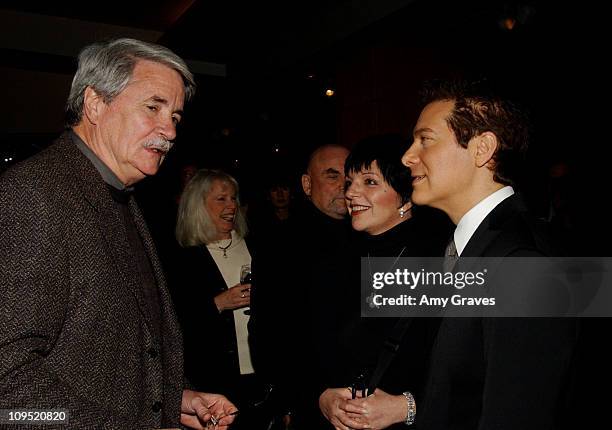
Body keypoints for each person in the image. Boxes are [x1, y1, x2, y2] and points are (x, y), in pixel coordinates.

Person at [0, 38, 236, 429]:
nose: (170, 130)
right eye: (153, 107)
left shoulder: (118, 195)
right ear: (95, 103)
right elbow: (6, 391)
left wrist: (174, 398)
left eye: (175, 116)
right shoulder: (34, 194)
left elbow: (107, 352)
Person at [342, 79, 576, 429]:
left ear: (482, 149)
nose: (408, 156)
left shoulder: (523, 266)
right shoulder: (464, 249)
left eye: (426, 140)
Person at [317, 135, 448, 430]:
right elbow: (309, 350)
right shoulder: (335, 260)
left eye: (370, 182)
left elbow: (468, 369)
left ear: (405, 194)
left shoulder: (440, 260)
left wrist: (407, 407)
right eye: (350, 182)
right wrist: (323, 397)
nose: (351, 193)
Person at [248, 144, 354, 428]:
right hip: (312, 407)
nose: (344, 186)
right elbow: (267, 335)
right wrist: (303, 396)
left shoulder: (369, 236)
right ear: (307, 184)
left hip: (365, 403)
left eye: (349, 177)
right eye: (332, 176)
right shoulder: (279, 246)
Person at [167, 169, 265, 429]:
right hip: (213, 380)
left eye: (234, 198)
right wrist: (218, 304)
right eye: (221, 199)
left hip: (262, 374)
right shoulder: (181, 259)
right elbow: (172, 322)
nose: (232, 205)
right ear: (198, 206)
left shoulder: (256, 246)